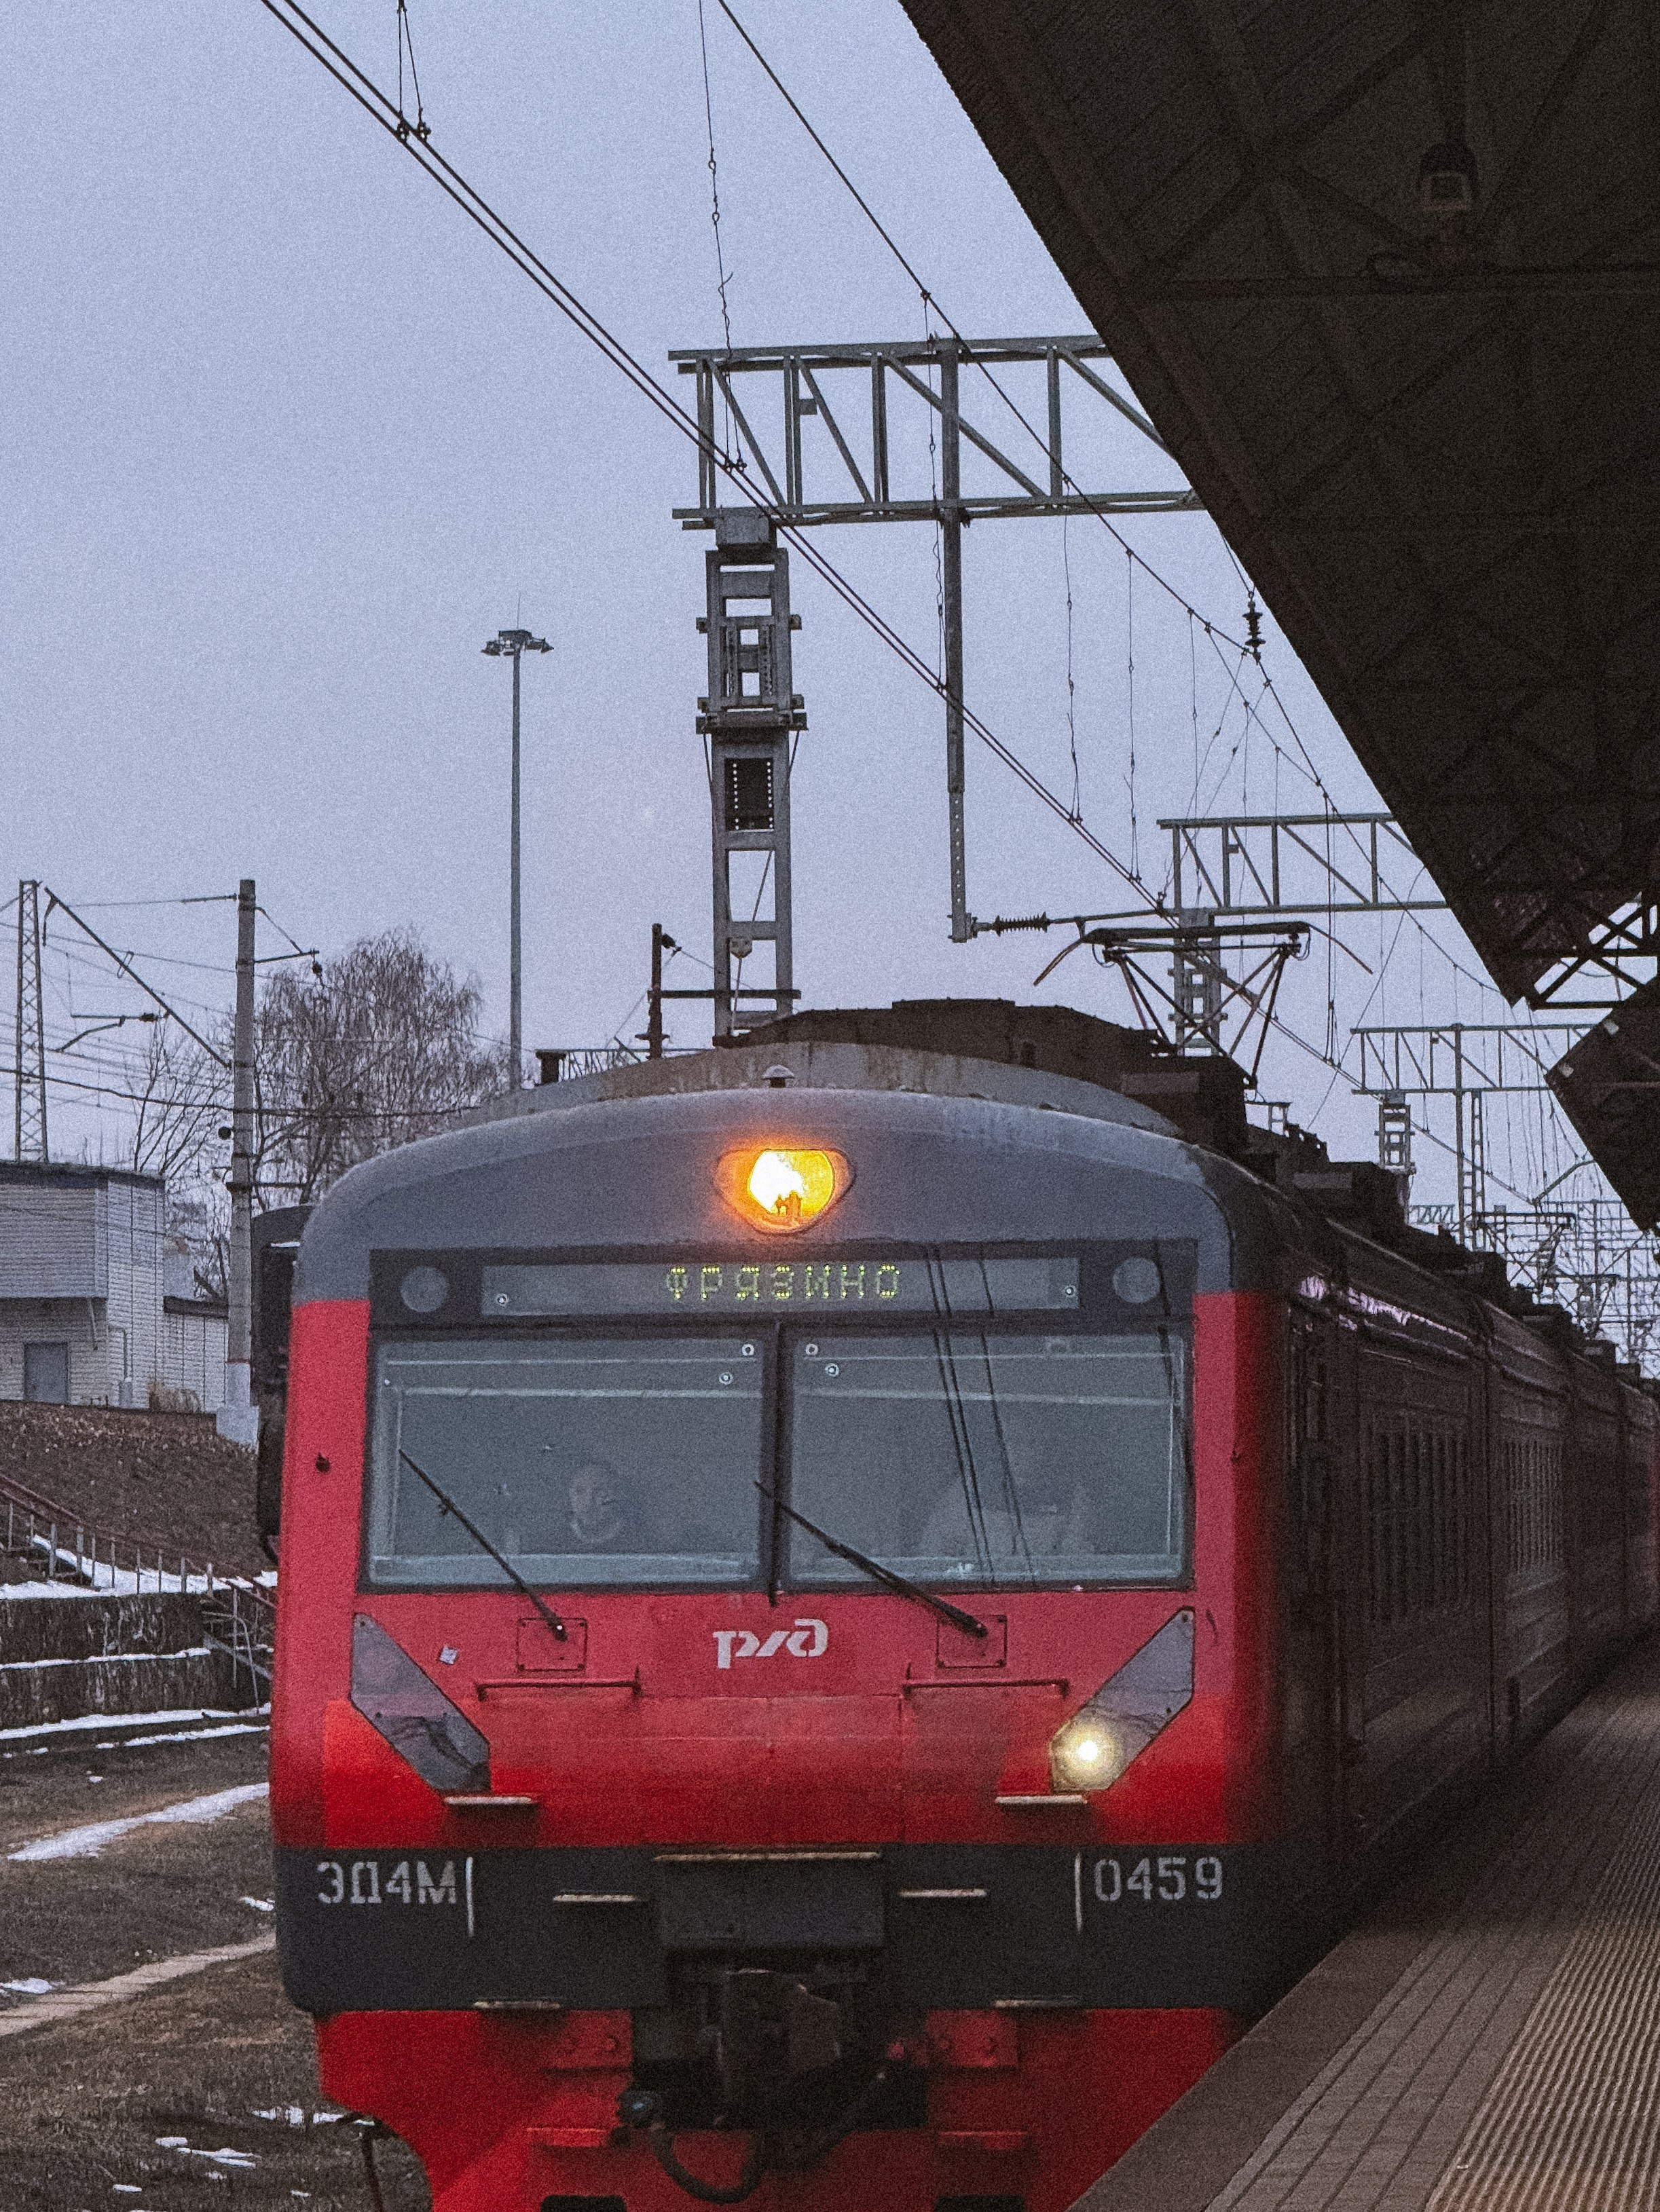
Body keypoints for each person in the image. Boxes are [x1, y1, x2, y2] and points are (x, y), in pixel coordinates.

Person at [564, 1459, 636, 1552]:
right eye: (580, 1491)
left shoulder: (635, 1539)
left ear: (616, 1493)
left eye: (599, 1491)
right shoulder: (555, 1539)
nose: (589, 1500)